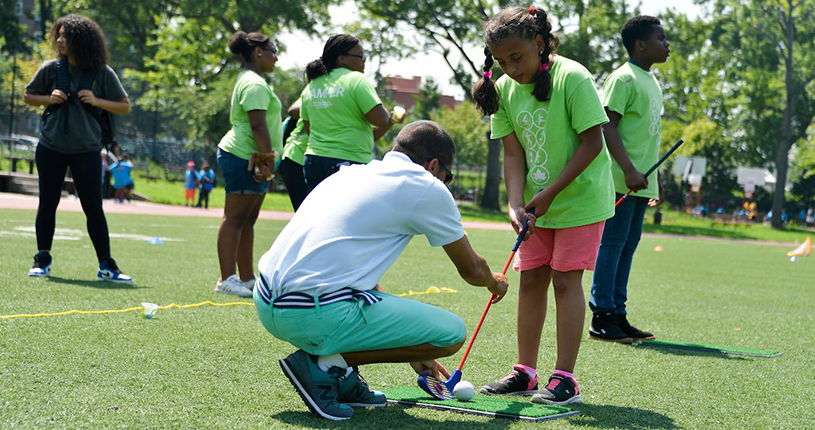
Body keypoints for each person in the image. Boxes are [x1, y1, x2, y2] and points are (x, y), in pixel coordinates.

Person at [255, 121, 508, 420]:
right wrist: (495, 283)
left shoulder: (352, 172)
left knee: (366, 305)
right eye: (447, 176)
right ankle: (325, 366)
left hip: (266, 300)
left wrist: (412, 346)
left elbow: (353, 270)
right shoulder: (425, 186)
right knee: (451, 334)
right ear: (434, 165)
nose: (446, 183)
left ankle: (342, 372)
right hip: (309, 312)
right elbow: (471, 269)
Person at [471, 6, 615, 405]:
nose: (510, 68)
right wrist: (514, 204)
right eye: (502, 61)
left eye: (516, 58)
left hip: (580, 201)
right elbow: (513, 154)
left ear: (539, 43)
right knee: (531, 279)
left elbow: (592, 143)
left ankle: (565, 378)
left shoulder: (573, 77)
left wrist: (549, 193)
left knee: (566, 281)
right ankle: (526, 372)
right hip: (536, 206)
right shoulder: (504, 89)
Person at [23, 13, 132, 282]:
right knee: (47, 204)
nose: (60, 40)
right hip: (50, 147)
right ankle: (42, 259)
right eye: (58, 35)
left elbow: (124, 106)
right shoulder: (50, 69)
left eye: (65, 36)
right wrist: (48, 98)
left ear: (80, 40)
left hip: (87, 150)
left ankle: (106, 265)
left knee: (93, 208)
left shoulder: (102, 73)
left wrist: (96, 100)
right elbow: (28, 96)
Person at [589, 16, 670, 344]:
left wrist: (656, 179)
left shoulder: (651, 81)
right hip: (621, 179)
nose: (667, 44)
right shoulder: (623, 79)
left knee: (628, 247)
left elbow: (648, 139)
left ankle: (618, 314)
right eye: (661, 38)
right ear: (640, 44)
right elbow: (607, 125)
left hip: (641, 182)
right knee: (611, 246)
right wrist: (629, 170)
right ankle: (602, 316)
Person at [215, 31, 281, 298]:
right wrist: (266, 161)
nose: (276, 58)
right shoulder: (253, 83)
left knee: (248, 220)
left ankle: (246, 278)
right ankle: (226, 279)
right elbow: (257, 125)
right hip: (243, 157)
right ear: (258, 52)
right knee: (235, 218)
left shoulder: (254, 80)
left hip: (251, 159)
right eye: (273, 51)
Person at [300, 34, 404, 192]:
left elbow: (309, 128)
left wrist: (390, 122)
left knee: (320, 214)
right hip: (347, 162)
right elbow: (380, 119)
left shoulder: (313, 85)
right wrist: (388, 119)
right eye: (360, 57)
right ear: (342, 58)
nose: (364, 62)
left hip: (313, 161)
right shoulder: (356, 80)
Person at [278, 99, 309, 210]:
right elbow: (293, 111)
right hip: (296, 157)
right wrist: (321, 104)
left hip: (323, 158)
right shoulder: (315, 89)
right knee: (305, 214)